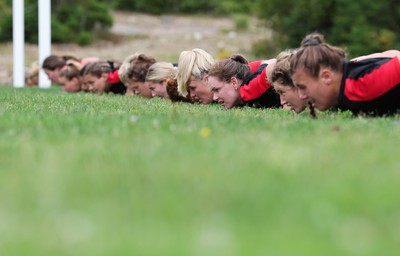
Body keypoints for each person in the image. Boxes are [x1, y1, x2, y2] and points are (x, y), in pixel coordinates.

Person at [290, 32, 400, 116]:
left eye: (302, 87)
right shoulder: (339, 92)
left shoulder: (362, 84)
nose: (301, 96)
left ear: (326, 77)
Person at [207, 54, 281, 109]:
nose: (214, 98)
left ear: (234, 82)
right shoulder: (244, 72)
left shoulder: (248, 89)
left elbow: (274, 62)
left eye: (217, 90)